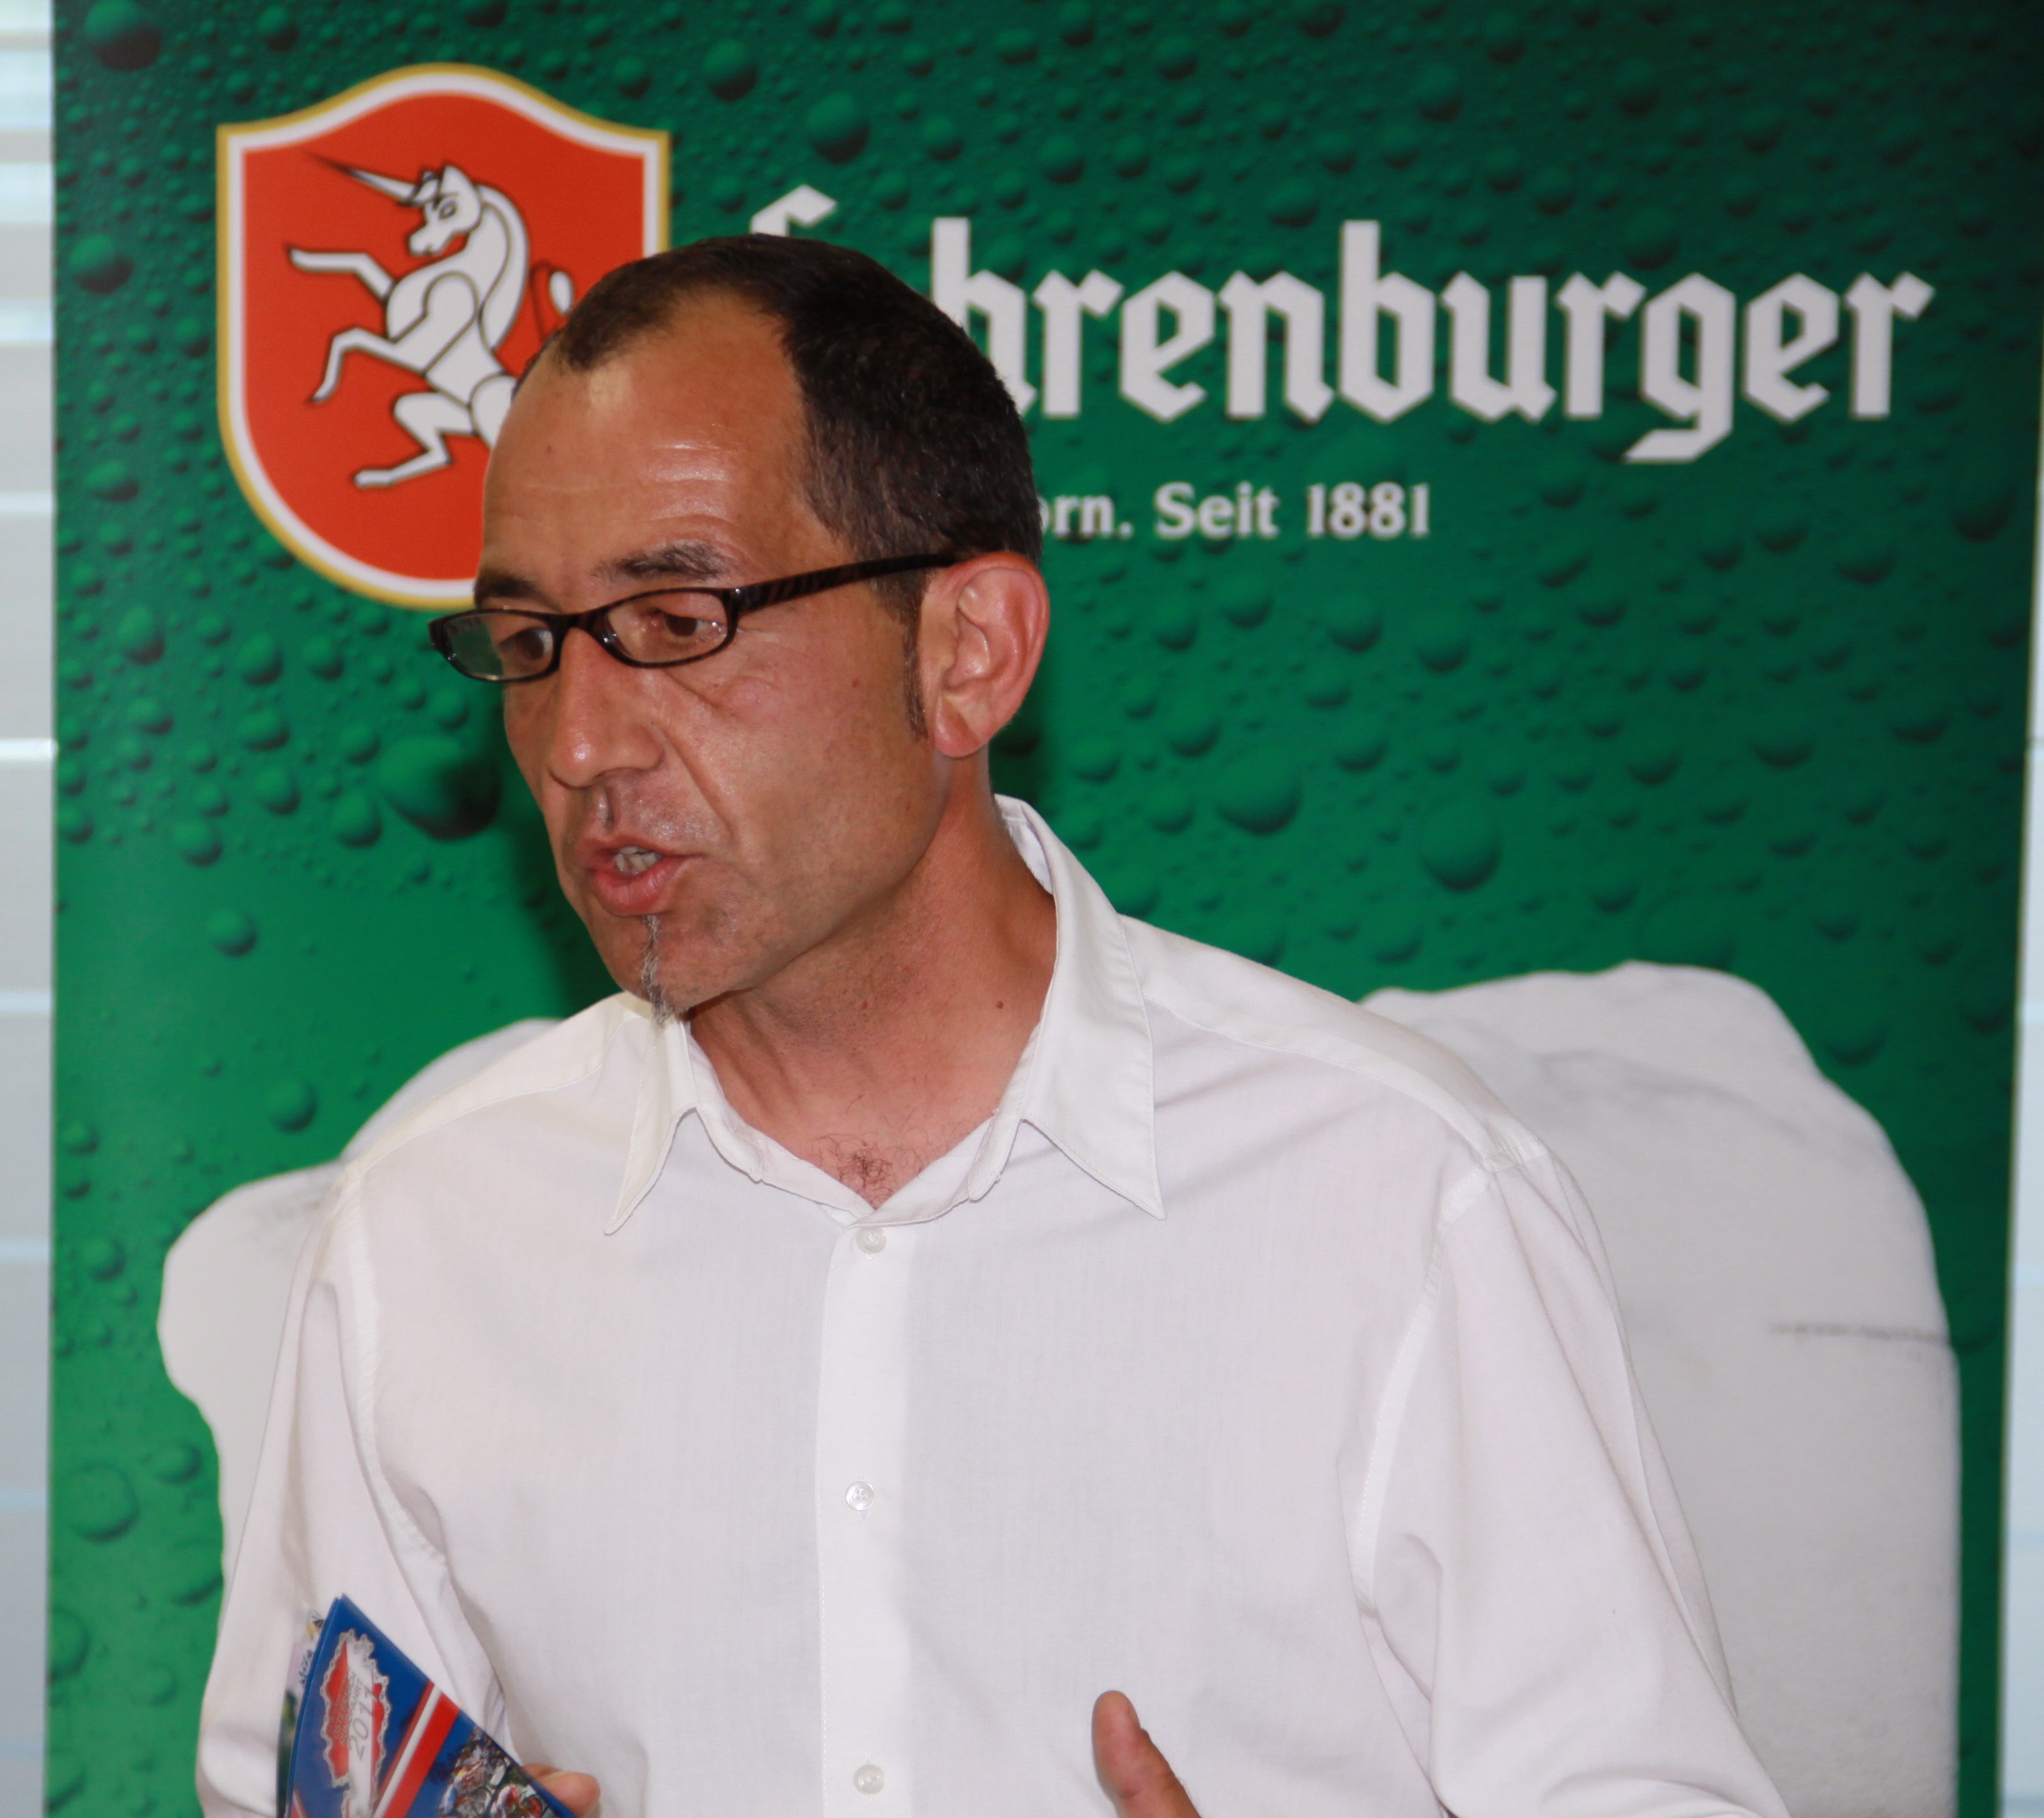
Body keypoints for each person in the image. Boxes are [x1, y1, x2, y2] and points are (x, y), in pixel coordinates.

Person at [197, 236, 1786, 1818]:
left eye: (676, 619)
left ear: (967, 653)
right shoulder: (431, 1228)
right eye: (529, 644)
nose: (579, 741)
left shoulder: (1395, 1189)